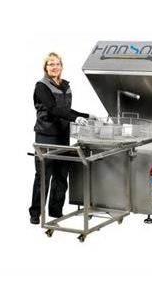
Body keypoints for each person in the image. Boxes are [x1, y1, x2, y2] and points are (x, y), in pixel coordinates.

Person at [29, 52, 94, 224]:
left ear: (61, 66)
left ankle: (55, 211)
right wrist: (75, 118)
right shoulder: (41, 86)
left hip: (63, 135)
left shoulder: (65, 85)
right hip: (46, 135)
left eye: (57, 64)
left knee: (61, 174)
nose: (55, 67)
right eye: (51, 64)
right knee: (43, 176)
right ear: (45, 67)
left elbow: (66, 111)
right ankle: (35, 213)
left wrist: (86, 116)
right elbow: (52, 109)